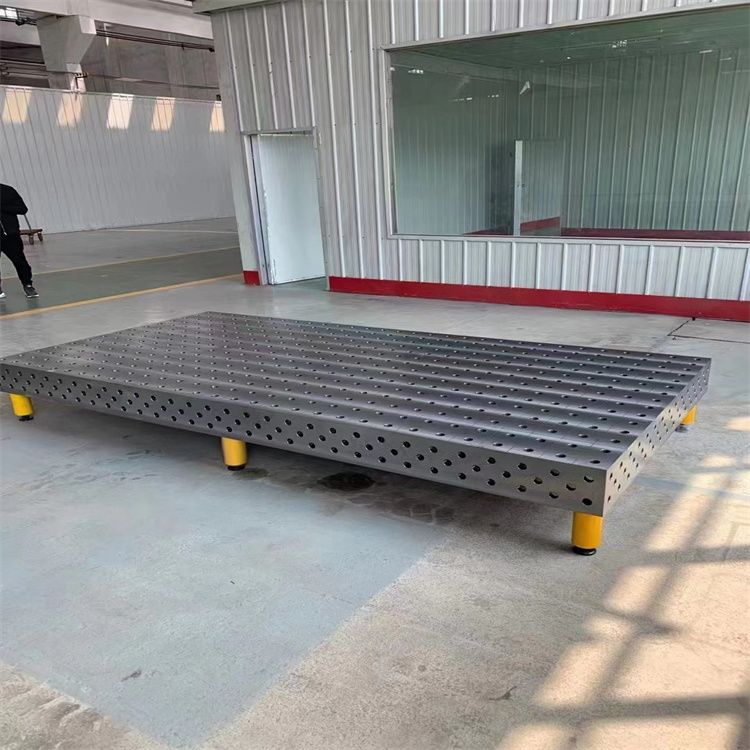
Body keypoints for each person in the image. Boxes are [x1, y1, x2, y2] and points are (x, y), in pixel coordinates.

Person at [0, 183, 38, 299]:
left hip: (9, 234)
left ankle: (28, 285)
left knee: (19, 260)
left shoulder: (7, 190)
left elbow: (22, 209)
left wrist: (2, 207)